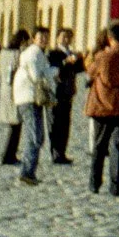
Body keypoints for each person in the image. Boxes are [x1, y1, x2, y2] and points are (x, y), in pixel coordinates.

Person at [82, 23, 119, 197]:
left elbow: (90, 73)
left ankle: (94, 183)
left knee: (99, 146)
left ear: (109, 38)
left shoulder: (102, 57)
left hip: (103, 105)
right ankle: (116, 185)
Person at [11, 34, 56, 185]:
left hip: (27, 97)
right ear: (34, 39)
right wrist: (54, 72)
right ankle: (27, 172)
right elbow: (37, 76)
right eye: (40, 37)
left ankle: (28, 170)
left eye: (45, 37)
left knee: (36, 135)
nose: (44, 40)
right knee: (35, 135)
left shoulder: (36, 53)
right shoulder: (34, 53)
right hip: (29, 98)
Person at [45, 27, 81, 165]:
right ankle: (55, 152)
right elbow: (52, 70)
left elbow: (78, 70)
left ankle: (62, 152)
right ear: (57, 38)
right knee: (54, 123)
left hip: (68, 92)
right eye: (63, 37)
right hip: (55, 92)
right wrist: (65, 62)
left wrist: (79, 60)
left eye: (68, 37)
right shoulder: (53, 53)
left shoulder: (71, 53)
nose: (66, 39)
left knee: (65, 123)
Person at [0, 30, 29, 164]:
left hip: (5, 88)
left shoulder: (3, 53)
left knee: (14, 124)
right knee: (16, 125)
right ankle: (9, 155)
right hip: (16, 90)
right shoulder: (18, 54)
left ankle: (10, 154)